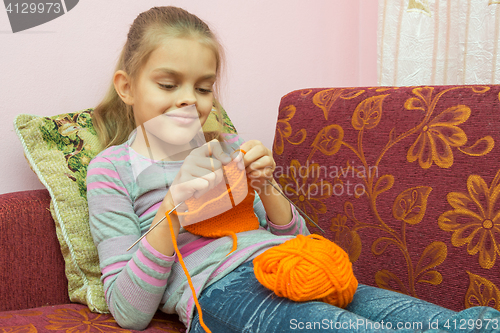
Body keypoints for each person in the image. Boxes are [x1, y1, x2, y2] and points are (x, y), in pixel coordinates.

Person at [87, 6, 500, 333]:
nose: (189, 101)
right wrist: (174, 206)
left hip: (293, 269)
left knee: (467, 324)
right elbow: (128, 312)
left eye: (202, 87)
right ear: (127, 86)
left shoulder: (225, 147)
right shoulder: (112, 169)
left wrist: (267, 188)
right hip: (220, 290)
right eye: (167, 84)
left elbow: (297, 241)